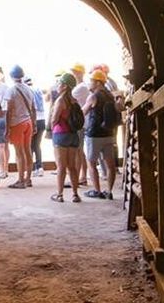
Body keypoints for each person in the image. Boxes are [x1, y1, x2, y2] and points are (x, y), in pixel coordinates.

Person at [83, 69, 121, 199]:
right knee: (110, 165)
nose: (90, 83)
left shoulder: (93, 96)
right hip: (109, 133)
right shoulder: (111, 96)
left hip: (94, 135)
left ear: (98, 82)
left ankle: (97, 191)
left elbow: (83, 112)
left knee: (91, 162)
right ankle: (109, 191)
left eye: (92, 81)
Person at [50, 72, 85, 203]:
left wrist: (52, 126)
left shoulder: (60, 100)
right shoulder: (74, 101)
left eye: (60, 83)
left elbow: (54, 119)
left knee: (61, 167)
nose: (58, 85)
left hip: (61, 134)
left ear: (65, 86)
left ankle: (59, 195)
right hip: (73, 135)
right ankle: (75, 194)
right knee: (72, 166)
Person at [1, 65, 36, 187]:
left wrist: (6, 128)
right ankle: (28, 179)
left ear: (11, 76)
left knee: (19, 152)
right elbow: (33, 109)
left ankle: (21, 180)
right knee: (27, 151)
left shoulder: (11, 90)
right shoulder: (29, 89)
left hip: (17, 124)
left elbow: (9, 111)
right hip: (28, 122)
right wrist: (34, 123)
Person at [26, 76, 46, 177]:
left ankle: (32, 167)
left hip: (33, 120)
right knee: (37, 145)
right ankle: (40, 167)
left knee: (30, 146)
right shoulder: (38, 90)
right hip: (42, 120)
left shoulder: (27, 91)